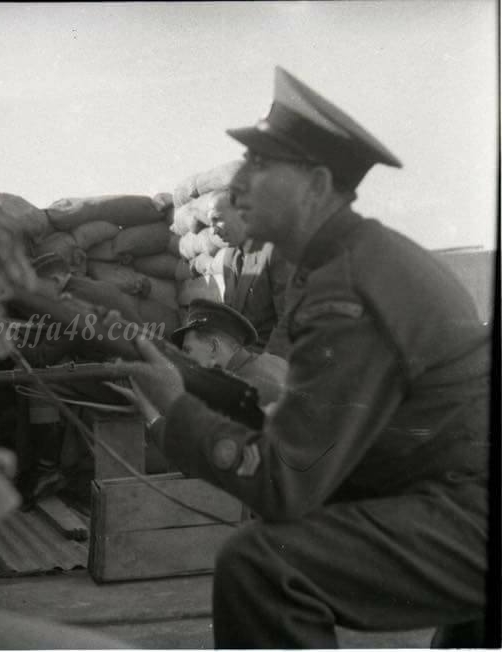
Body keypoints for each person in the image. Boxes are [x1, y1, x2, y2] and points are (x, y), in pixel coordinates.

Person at [115, 66, 490, 648]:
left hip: (467, 509)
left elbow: (288, 479)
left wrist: (176, 409)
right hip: (447, 489)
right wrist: (188, 376)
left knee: (263, 565)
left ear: (316, 184)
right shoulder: (345, 262)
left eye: (262, 165)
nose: (239, 183)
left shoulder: (349, 284)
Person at [208, 190, 295, 357]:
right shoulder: (229, 257)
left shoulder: (274, 251)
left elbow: (289, 322)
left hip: (269, 359)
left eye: (217, 219)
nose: (213, 232)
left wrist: (264, 365)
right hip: (239, 357)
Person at [170, 298, 287, 408]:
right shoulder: (275, 362)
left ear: (213, 347)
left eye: (188, 350)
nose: (184, 359)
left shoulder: (238, 394)